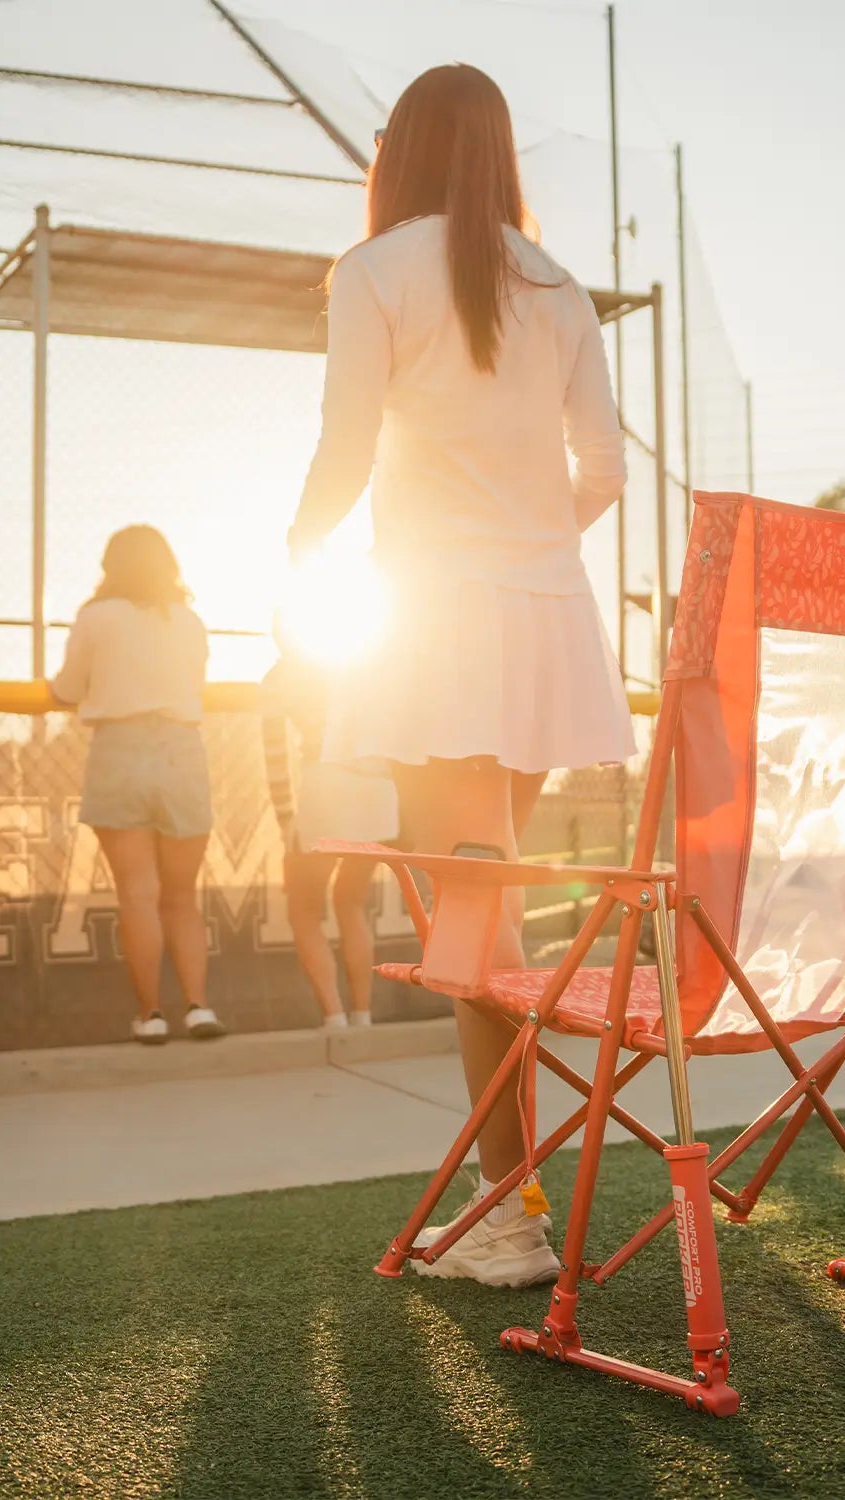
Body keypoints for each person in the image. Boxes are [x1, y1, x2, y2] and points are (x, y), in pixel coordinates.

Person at [286, 65, 632, 1285]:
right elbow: (606, 469)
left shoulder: (372, 269)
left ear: (405, 150)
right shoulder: (561, 287)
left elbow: (344, 444)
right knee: (486, 921)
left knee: (470, 937)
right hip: (541, 618)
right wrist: (531, 546)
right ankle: (508, 1203)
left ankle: (511, 1215)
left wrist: (293, 555)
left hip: (433, 619)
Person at [49, 526, 225, 1045]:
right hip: (181, 750)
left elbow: (66, 689)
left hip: (120, 750)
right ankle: (198, 1007)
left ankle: (150, 1015)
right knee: (182, 897)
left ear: (111, 566)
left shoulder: (96, 617)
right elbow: (195, 686)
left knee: (138, 895)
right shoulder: (189, 622)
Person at [260, 641, 397, 1032]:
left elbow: (274, 755)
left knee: (304, 910)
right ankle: (363, 1015)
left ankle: (334, 1018)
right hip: (378, 789)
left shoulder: (280, 676)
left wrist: (286, 817)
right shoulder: (363, 660)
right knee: (352, 903)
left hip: (326, 786)